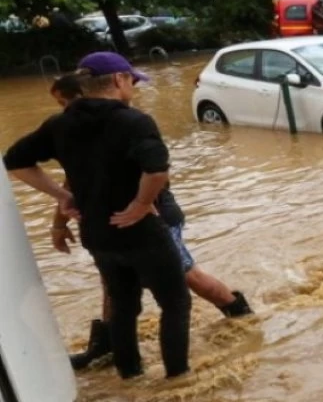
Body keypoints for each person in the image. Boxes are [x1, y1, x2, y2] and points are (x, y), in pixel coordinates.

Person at [4, 53, 192, 380]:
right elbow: (157, 170)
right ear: (119, 79)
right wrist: (139, 204)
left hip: (97, 235)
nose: (132, 86)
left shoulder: (59, 124)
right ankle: (178, 378)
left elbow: (15, 162)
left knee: (122, 307)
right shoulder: (134, 121)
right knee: (175, 304)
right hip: (141, 232)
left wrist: (63, 197)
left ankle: (129, 375)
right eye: (131, 80)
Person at [46, 74, 252, 371]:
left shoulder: (125, 124)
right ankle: (110, 348)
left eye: (67, 102)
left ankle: (239, 314)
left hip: (153, 219)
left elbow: (155, 173)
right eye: (61, 104)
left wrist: (143, 207)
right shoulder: (81, 131)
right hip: (112, 224)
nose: (65, 109)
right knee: (112, 285)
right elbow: (72, 182)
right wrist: (58, 222)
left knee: (186, 276)